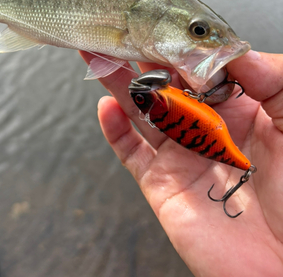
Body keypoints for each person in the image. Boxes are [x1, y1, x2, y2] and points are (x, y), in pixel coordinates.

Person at [80, 50, 283, 277]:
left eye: (139, 99)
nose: (139, 94)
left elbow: (164, 83)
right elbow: (165, 81)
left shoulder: (161, 104)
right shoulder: (161, 106)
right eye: (140, 99)